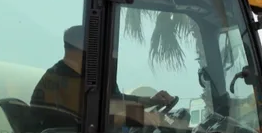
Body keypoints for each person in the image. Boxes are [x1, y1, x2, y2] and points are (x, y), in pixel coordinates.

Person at [32, 25, 175, 117]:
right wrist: (145, 118)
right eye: (99, 46)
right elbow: (101, 119)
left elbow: (112, 100)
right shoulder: (68, 81)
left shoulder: (60, 75)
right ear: (85, 47)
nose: (104, 53)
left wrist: (150, 101)